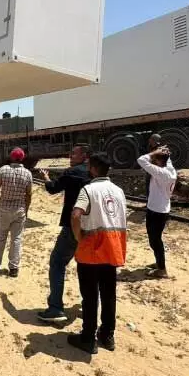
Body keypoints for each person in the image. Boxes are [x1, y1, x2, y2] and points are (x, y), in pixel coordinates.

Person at [68, 152, 128, 354]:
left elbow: (76, 214)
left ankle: (88, 337)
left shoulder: (89, 189)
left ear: (93, 168)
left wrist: (78, 237)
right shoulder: (119, 191)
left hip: (92, 250)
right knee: (109, 294)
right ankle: (107, 335)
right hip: (113, 248)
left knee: (90, 295)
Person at [36, 146, 90, 323]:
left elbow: (52, 188)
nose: (70, 156)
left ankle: (55, 308)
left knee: (57, 262)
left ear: (84, 156)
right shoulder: (93, 173)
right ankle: (89, 305)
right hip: (92, 227)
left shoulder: (71, 172)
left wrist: (45, 177)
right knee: (87, 266)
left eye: (74, 153)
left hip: (72, 225)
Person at [0, 147, 33, 278]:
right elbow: (29, 194)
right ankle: (13, 268)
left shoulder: (3, 170)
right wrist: (26, 209)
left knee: (0, 237)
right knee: (16, 239)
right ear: (22, 158)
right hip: (19, 210)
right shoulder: (27, 173)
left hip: (4, 209)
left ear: (11, 157)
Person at [136, 144, 177, 278]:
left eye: (155, 159)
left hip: (156, 210)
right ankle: (159, 263)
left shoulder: (161, 173)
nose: (153, 161)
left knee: (155, 241)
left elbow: (141, 160)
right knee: (154, 239)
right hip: (161, 208)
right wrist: (163, 152)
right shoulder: (170, 169)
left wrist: (154, 153)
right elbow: (167, 160)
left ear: (158, 161)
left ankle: (162, 270)